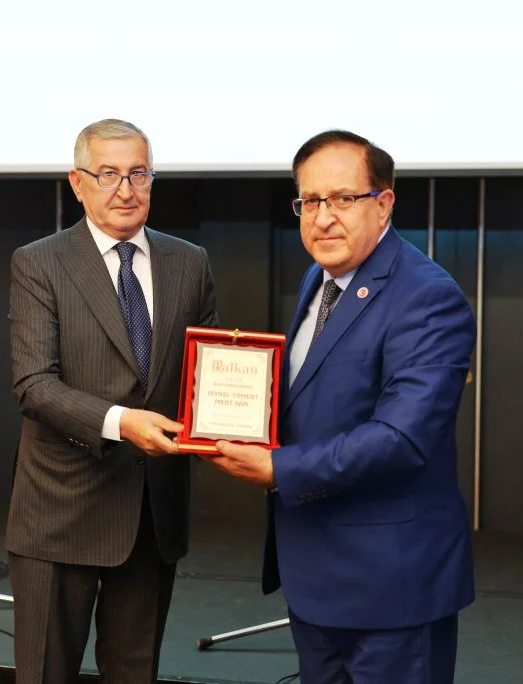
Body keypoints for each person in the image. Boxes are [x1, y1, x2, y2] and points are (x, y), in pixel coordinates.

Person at [200, 130, 476, 683]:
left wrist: (278, 468)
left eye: (343, 199)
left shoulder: (427, 296)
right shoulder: (321, 277)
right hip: (316, 577)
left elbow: (402, 439)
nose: (323, 218)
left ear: (384, 203)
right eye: (310, 201)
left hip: (391, 587)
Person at [6, 118, 218, 684]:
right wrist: (122, 423)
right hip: (60, 511)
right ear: (77, 183)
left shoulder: (189, 261)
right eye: (108, 175)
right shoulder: (39, 262)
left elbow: (207, 372)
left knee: (135, 674)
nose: (126, 190)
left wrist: (234, 419)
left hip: (152, 513)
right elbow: (33, 385)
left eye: (138, 174)